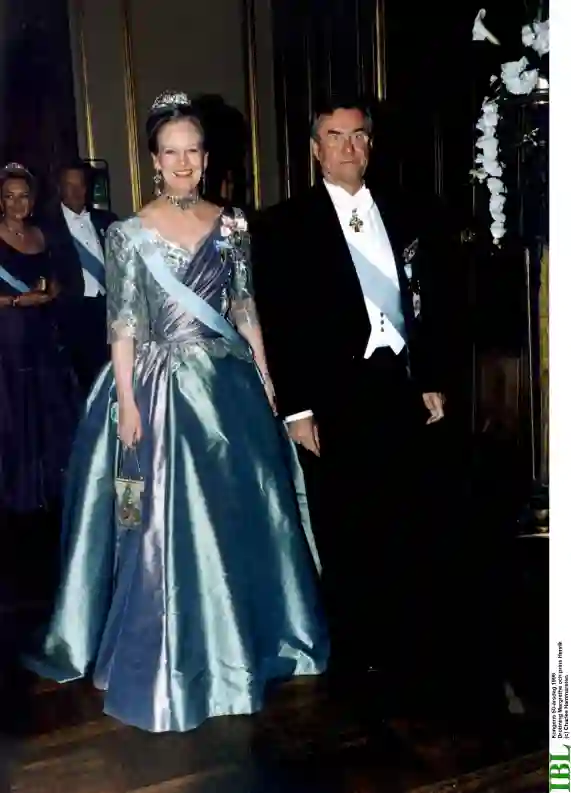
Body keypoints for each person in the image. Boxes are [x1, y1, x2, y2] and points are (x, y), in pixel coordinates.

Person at [28, 91, 328, 733]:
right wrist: (129, 403)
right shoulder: (129, 234)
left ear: (205, 156)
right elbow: (125, 322)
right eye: (172, 153)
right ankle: (165, 653)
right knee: (157, 523)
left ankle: (241, 644)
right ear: (155, 162)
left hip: (228, 388)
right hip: (158, 391)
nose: (184, 162)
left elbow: (245, 308)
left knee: (240, 517)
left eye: (193, 150)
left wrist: (268, 378)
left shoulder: (234, 226)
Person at [251, 98, 447, 686]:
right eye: (335, 137)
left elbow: (428, 300)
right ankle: (356, 648)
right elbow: (280, 321)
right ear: (315, 149)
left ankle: (405, 639)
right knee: (344, 524)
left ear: (371, 145)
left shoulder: (408, 211)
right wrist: (298, 409)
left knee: (405, 514)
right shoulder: (285, 223)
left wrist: (431, 377)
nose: (348, 147)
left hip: (398, 383)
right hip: (331, 394)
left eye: (358, 136)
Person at [0, 163, 79, 517]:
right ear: (0, 201)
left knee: (46, 408)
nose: (17, 204)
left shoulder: (42, 236)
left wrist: (51, 291)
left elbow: (57, 278)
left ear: (32, 201)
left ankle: (47, 486)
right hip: (8, 336)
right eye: (9, 197)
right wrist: (17, 301)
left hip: (42, 333)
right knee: (15, 412)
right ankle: (18, 490)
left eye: (24, 196)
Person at [42, 162, 117, 395]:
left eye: (80, 185)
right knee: (89, 385)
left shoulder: (107, 220)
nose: (75, 192)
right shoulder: (46, 226)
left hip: (111, 308)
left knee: (118, 374)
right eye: (69, 186)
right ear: (59, 189)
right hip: (75, 313)